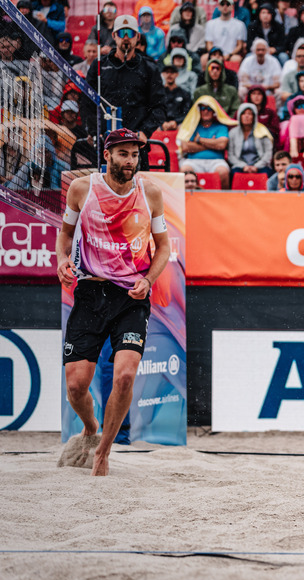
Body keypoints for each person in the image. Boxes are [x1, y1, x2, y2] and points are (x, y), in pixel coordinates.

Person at [56, 130, 170, 477]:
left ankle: (103, 452)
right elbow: (64, 235)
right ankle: (90, 429)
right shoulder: (82, 189)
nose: (130, 161)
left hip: (130, 297)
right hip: (90, 292)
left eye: (134, 155)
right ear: (107, 155)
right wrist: (62, 260)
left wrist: (148, 281)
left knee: (124, 376)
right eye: (123, 154)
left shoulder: (149, 192)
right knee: (76, 385)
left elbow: (163, 246)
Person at [84, 15, 166, 155]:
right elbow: (87, 102)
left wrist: (144, 131)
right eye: (122, 33)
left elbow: (159, 107)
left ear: (138, 37)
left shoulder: (149, 68)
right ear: (114, 36)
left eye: (131, 33)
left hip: (136, 145)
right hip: (106, 144)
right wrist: (95, 132)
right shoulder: (99, 65)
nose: (126, 37)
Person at [178, 97, 234, 189]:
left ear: (214, 111)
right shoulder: (191, 126)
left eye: (209, 108)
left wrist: (199, 140)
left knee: (223, 172)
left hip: (216, 161)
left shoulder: (221, 126)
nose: (206, 111)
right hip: (193, 161)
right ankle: (186, 201)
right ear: (199, 111)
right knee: (184, 170)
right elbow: (185, 147)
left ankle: (223, 200)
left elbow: (222, 144)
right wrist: (212, 144)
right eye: (203, 108)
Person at [228, 102, 274, 177]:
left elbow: (268, 153)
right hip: (240, 166)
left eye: (249, 114)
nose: (246, 116)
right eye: (244, 114)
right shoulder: (233, 133)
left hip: (260, 166)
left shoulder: (262, 130)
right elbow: (231, 155)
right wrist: (243, 166)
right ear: (239, 116)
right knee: (234, 174)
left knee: (266, 173)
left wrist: (256, 166)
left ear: (254, 116)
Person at [205, 0, 247, 64]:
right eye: (222, 4)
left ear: (232, 7)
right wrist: (216, 55)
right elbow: (209, 44)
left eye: (228, 4)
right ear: (218, 7)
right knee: (204, 58)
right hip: (215, 54)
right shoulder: (210, 24)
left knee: (237, 59)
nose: (225, 6)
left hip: (231, 55)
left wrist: (229, 55)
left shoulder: (240, 25)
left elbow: (239, 45)